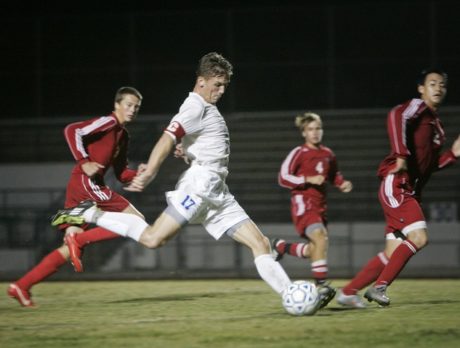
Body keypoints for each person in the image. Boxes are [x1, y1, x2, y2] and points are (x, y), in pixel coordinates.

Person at [51, 52, 296, 302]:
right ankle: (89, 213)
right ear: (201, 81)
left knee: (261, 243)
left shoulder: (206, 108)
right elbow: (168, 137)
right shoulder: (195, 106)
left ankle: (292, 295)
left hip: (218, 192)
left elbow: (192, 143)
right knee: (153, 239)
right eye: (217, 84)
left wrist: (187, 151)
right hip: (198, 188)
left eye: (225, 85)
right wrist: (153, 170)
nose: (222, 90)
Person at [7, 87, 145, 307]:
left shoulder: (123, 135)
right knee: (137, 221)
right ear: (117, 104)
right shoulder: (107, 123)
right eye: (128, 104)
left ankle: (21, 286)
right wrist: (84, 161)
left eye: (136, 107)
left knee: (69, 250)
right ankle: (78, 239)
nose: (132, 109)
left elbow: (121, 173)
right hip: (86, 183)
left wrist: (139, 174)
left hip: (81, 186)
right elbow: (72, 130)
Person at [337, 68, 460, 308]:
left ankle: (348, 293)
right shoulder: (419, 107)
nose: (438, 87)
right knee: (419, 237)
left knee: (391, 253)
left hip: (406, 188)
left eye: (442, 84)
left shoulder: (436, 125)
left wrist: (453, 155)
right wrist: (401, 155)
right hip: (397, 183)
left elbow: (429, 166)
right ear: (421, 89)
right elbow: (396, 115)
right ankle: (379, 288)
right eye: (432, 83)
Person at [273, 112, 352, 307]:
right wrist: (306, 179)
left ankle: (280, 246)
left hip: (320, 207)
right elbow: (283, 177)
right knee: (319, 236)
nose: (315, 133)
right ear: (303, 133)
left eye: (318, 129)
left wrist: (342, 183)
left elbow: (334, 175)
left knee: (314, 250)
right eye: (310, 129)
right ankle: (321, 285)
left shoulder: (328, 154)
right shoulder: (299, 153)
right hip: (303, 204)